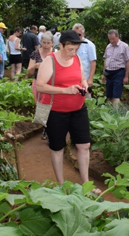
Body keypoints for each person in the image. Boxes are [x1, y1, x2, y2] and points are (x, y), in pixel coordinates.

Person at [35, 30, 92, 186]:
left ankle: (86, 183)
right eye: (70, 49)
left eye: (75, 49)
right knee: (57, 147)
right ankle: (61, 184)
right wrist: (64, 90)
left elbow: (82, 79)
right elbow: (40, 86)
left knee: (84, 145)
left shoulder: (77, 59)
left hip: (78, 109)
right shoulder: (50, 61)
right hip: (56, 112)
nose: (73, 53)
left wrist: (84, 86)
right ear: (60, 45)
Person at [27, 32, 54, 140]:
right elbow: (28, 72)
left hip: (52, 84)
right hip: (38, 83)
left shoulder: (56, 53)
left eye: (48, 43)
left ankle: (51, 129)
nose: (46, 45)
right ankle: (45, 129)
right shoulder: (35, 53)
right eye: (44, 42)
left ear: (52, 43)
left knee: (52, 106)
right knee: (41, 106)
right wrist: (35, 66)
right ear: (40, 42)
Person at [102, 29, 129, 107]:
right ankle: (111, 111)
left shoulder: (124, 46)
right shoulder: (108, 47)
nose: (111, 41)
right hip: (108, 72)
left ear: (118, 37)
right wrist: (103, 74)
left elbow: (128, 61)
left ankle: (116, 112)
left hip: (119, 72)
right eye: (110, 39)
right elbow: (106, 60)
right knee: (109, 94)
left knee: (116, 94)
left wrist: (126, 76)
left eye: (113, 39)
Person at [72, 23, 97, 98]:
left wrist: (90, 78)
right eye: (75, 34)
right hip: (72, 78)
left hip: (85, 78)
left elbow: (93, 62)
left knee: (87, 99)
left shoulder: (89, 45)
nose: (77, 36)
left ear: (83, 34)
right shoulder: (70, 44)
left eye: (79, 34)